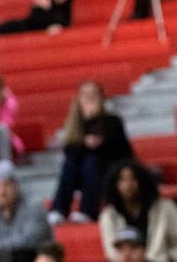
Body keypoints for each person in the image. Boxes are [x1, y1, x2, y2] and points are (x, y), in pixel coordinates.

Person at [49, 80, 133, 224]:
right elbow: (70, 151)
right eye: (85, 94)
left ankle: (87, 211)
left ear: (101, 98)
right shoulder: (75, 124)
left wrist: (95, 121)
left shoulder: (112, 121)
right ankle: (59, 210)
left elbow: (117, 149)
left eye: (93, 94)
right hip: (83, 174)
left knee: (92, 161)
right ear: (79, 99)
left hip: (110, 170)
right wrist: (87, 141)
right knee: (71, 164)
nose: (90, 98)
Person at [99, 159, 177, 262]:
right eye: (122, 180)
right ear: (114, 184)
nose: (128, 185)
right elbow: (112, 252)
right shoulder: (108, 215)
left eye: (133, 179)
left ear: (143, 181)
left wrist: (169, 260)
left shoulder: (165, 208)